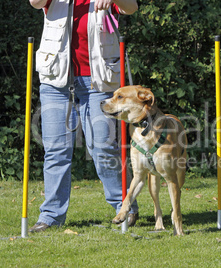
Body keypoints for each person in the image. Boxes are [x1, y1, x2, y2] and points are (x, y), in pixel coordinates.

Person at [28, 0, 139, 232]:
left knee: (102, 146)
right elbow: (34, 2)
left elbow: (131, 7)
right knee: (55, 150)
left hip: (98, 81)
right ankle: (50, 216)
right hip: (55, 80)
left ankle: (124, 206)